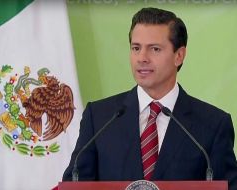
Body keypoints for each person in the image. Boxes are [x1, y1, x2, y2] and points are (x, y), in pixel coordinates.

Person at [62, 7, 237, 189]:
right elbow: (76, 183)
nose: (142, 58)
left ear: (179, 55)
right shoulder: (99, 117)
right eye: (136, 48)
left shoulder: (213, 124)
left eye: (154, 49)